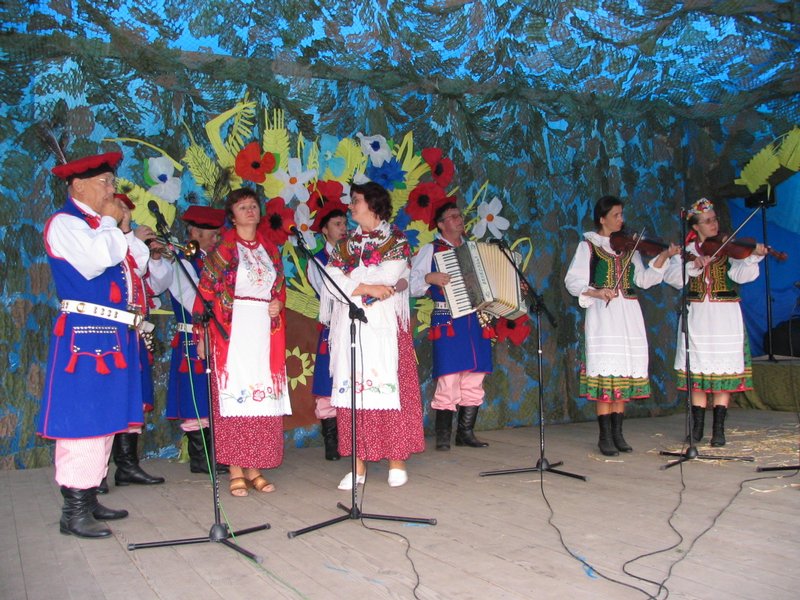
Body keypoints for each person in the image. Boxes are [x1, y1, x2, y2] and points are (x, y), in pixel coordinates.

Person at [38, 152, 143, 538]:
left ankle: (90, 495)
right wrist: (112, 223)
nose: (112, 189)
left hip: (111, 332)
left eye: (113, 182)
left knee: (105, 418)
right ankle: (74, 510)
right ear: (78, 185)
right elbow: (96, 260)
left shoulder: (101, 226)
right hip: (83, 333)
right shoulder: (65, 223)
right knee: (82, 419)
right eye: (105, 182)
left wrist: (120, 227)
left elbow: (136, 265)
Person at [320, 181, 425, 489]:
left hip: (384, 325)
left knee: (388, 389)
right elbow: (331, 281)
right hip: (350, 326)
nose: (351, 206)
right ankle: (358, 465)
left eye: (356, 200)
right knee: (352, 394)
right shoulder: (345, 244)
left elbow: (389, 278)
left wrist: (352, 279)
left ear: (374, 204)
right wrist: (366, 286)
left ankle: (396, 460)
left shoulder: (396, 239)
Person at [564, 195, 679, 456]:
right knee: (607, 379)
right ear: (602, 218)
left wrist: (663, 256)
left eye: (622, 214)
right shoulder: (588, 246)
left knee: (622, 376)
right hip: (604, 316)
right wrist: (596, 291)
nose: (621, 219)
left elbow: (644, 279)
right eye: (616, 215)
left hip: (628, 315)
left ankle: (618, 434)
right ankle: (605, 436)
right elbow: (573, 281)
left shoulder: (629, 247)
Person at [195, 188, 291, 497]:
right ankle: (236, 469)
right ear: (232, 216)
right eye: (242, 207)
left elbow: (278, 288)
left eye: (253, 205)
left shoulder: (270, 249)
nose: (250, 210)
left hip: (263, 330)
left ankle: (254, 467)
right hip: (231, 330)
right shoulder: (223, 249)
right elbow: (205, 292)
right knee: (234, 397)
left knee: (259, 398)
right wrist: (202, 334)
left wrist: (277, 303)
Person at [665, 198, 766, 446]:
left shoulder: (728, 247)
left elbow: (741, 275)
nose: (714, 224)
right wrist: (693, 265)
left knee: (723, 371)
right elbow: (674, 279)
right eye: (708, 221)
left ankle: (718, 429)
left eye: (715, 219)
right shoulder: (686, 252)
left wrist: (753, 257)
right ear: (695, 226)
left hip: (724, 317)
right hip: (698, 317)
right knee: (698, 370)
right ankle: (697, 428)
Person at [98, 193, 169, 492]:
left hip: (135, 332)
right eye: (120, 209)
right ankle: (95, 472)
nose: (124, 213)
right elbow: (121, 264)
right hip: (110, 331)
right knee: (108, 396)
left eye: (127, 210)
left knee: (133, 395)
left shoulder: (132, 247)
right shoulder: (104, 240)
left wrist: (155, 256)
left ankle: (126, 465)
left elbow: (156, 284)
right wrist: (129, 235)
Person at [409, 201, 492, 450]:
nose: (459, 219)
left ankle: (465, 433)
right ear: (441, 224)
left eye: (459, 215)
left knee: (475, 375)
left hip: (476, 319)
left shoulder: (474, 250)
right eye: (453, 216)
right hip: (448, 319)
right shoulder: (431, 250)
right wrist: (429, 277)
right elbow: (412, 284)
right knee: (449, 376)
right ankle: (443, 436)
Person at [165, 205, 229, 474]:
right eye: (212, 235)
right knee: (197, 397)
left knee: (215, 394)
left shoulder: (215, 261)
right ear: (194, 233)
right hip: (193, 335)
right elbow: (194, 301)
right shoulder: (181, 262)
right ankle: (200, 457)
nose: (216, 240)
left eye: (218, 235)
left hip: (216, 335)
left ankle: (218, 452)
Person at [306, 200, 349, 461]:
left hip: (354, 327)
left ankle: (352, 438)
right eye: (337, 224)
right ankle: (332, 442)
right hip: (333, 326)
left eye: (345, 223)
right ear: (324, 230)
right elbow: (327, 293)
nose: (343, 228)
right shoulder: (317, 261)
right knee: (327, 383)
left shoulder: (356, 256)